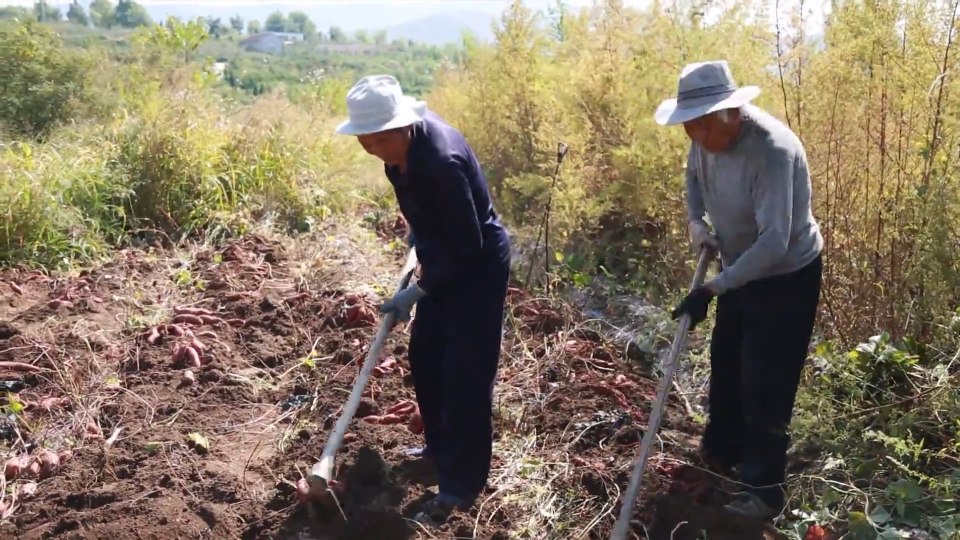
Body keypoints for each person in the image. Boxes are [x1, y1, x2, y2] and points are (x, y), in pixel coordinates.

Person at [334, 74, 512, 526]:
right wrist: (419, 237)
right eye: (363, 142)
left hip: (477, 266)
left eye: (374, 142)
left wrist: (418, 290)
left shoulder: (440, 160)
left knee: (465, 377)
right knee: (426, 356)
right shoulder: (399, 150)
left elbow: (467, 244)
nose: (369, 150)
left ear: (399, 128)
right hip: (441, 253)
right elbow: (426, 212)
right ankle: (437, 451)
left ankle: (460, 484)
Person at [656, 60, 824, 520]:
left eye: (700, 126)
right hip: (736, 268)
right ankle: (722, 450)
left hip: (785, 276)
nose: (694, 137)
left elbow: (774, 241)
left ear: (729, 114)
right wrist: (696, 224)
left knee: (766, 382)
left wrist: (713, 288)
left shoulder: (771, 151)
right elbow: (692, 180)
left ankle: (763, 491)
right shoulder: (702, 138)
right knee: (726, 361)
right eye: (688, 127)